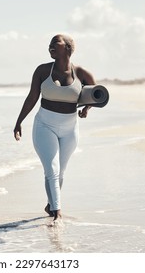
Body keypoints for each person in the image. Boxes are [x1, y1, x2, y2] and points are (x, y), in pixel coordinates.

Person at [13, 34, 95, 222]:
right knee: (52, 169)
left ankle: (50, 205)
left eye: (55, 43)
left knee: (60, 171)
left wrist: (87, 109)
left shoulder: (81, 73)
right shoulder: (42, 71)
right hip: (44, 125)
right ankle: (57, 212)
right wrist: (18, 122)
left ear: (67, 48)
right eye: (49, 43)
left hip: (70, 128)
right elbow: (32, 97)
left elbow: (96, 94)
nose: (50, 45)